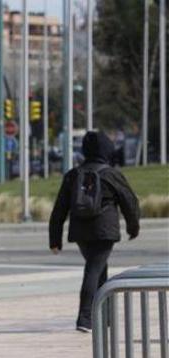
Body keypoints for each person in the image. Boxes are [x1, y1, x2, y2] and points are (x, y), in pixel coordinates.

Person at [49, 130, 141, 333]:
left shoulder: (73, 175)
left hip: (81, 232)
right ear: (106, 150)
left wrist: (55, 239)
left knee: (99, 268)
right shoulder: (112, 175)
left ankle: (104, 317)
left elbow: (59, 209)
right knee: (94, 269)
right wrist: (133, 227)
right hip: (105, 231)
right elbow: (130, 202)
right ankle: (85, 318)